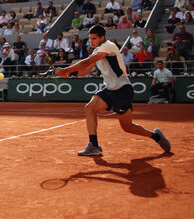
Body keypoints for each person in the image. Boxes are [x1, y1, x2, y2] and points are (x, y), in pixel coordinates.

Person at [56, 25, 170, 156]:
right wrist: (69, 74)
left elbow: (87, 62)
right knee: (90, 108)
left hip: (122, 89)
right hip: (109, 89)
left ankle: (156, 137)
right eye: (90, 38)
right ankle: (93, 145)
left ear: (102, 38)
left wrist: (65, 70)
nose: (91, 41)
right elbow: (86, 70)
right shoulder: (97, 51)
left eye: (94, 38)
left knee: (127, 127)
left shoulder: (108, 46)